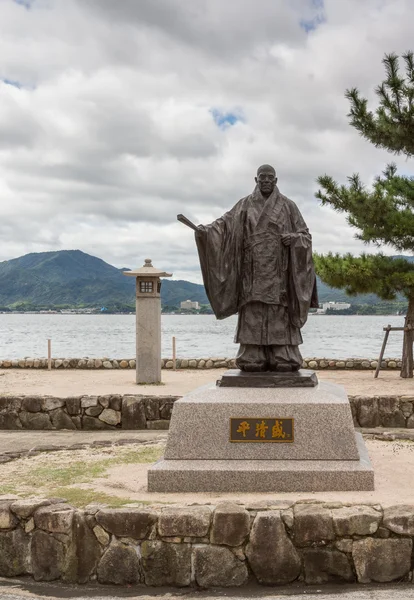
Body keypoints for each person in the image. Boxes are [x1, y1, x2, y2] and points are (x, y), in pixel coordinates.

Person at [195, 164, 318, 372]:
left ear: (276, 180)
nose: (266, 181)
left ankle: (283, 354)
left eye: (270, 178)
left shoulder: (288, 206)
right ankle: (252, 354)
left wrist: (294, 238)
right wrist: (206, 232)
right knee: (253, 311)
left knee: (278, 312)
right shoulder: (244, 205)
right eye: (263, 178)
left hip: (279, 272)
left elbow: (305, 235)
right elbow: (224, 225)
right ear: (256, 180)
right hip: (251, 272)